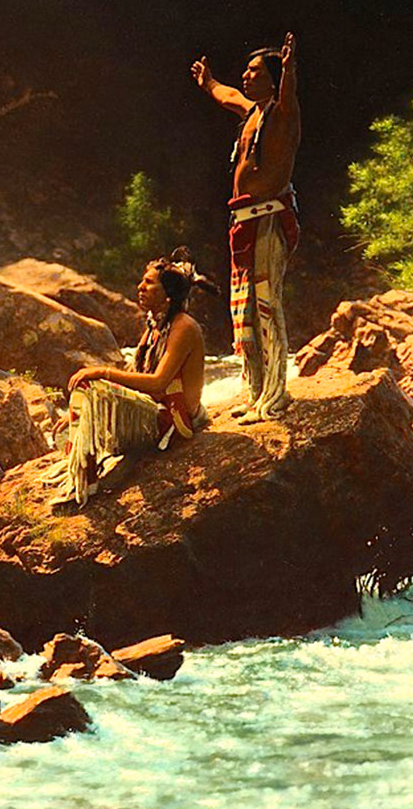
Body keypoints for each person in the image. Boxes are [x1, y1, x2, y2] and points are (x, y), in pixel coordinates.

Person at [44, 248, 219, 507]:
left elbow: (158, 382)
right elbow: (137, 375)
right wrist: (79, 416)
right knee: (72, 425)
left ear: (167, 295)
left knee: (89, 385)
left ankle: (85, 482)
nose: (140, 287)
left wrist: (102, 372)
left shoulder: (184, 327)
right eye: (142, 281)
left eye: (148, 282)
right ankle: (85, 468)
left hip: (174, 421)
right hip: (156, 409)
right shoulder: (156, 325)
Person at [191, 32, 301, 422]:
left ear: (274, 80)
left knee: (266, 306)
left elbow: (288, 95)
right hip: (243, 223)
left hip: (268, 220)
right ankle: (254, 391)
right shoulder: (251, 112)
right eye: (247, 70)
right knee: (245, 312)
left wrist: (289, 69)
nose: (246, 76)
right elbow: (227, 95)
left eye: (255, 71)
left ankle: (274, 396)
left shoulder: (282, 115)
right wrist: (208, 82)